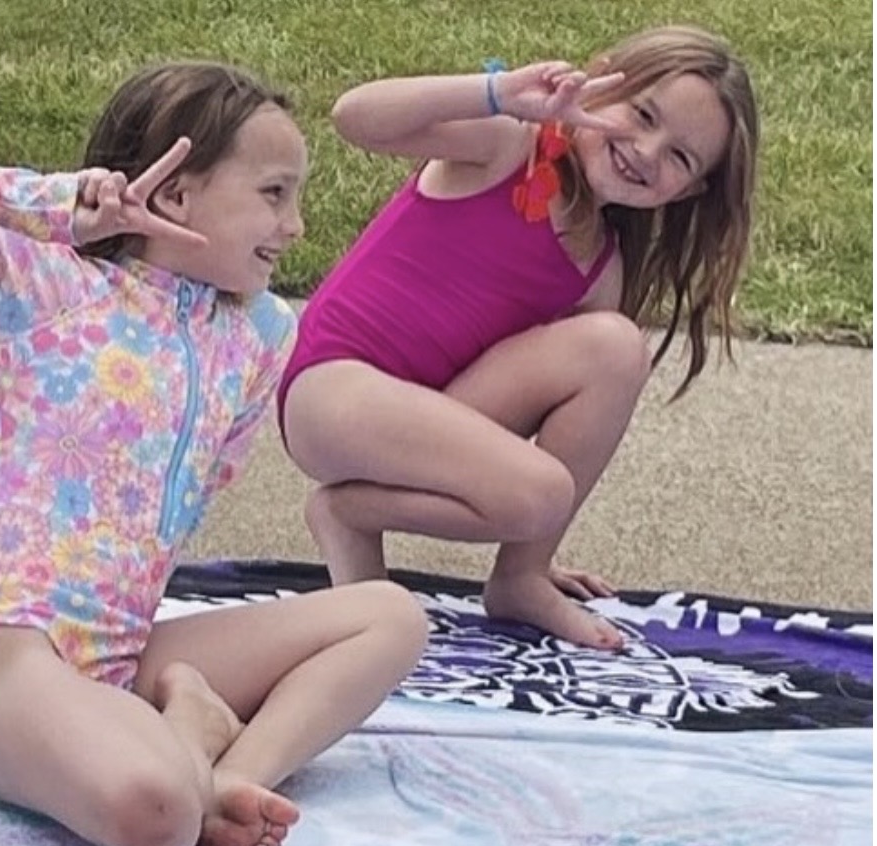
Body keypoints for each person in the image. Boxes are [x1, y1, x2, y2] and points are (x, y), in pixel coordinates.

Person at [0, 62, 429, 846]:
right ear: (175, 195)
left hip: (121, 655)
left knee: (391, 617)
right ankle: (190, 737)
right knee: (154, 815)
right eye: (273, 194)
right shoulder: (45, 284)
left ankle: (229, 779)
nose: (295, 226)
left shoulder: (258, 336)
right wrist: (53, 204)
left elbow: (207, 479)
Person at [277, 25, 759, 652]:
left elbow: (571, 410)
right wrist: (496, 92)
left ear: (690, 192)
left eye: (680, 158)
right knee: (542, 494)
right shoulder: (507, 144)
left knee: (617, 349)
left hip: (434, 411)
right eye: (643, 115)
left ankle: (521, 574)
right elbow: (355, 117)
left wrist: (520, 510)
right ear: (599, 79)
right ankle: (347, 513)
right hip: (333, 393)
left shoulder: (599, 269)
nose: (646, 151)